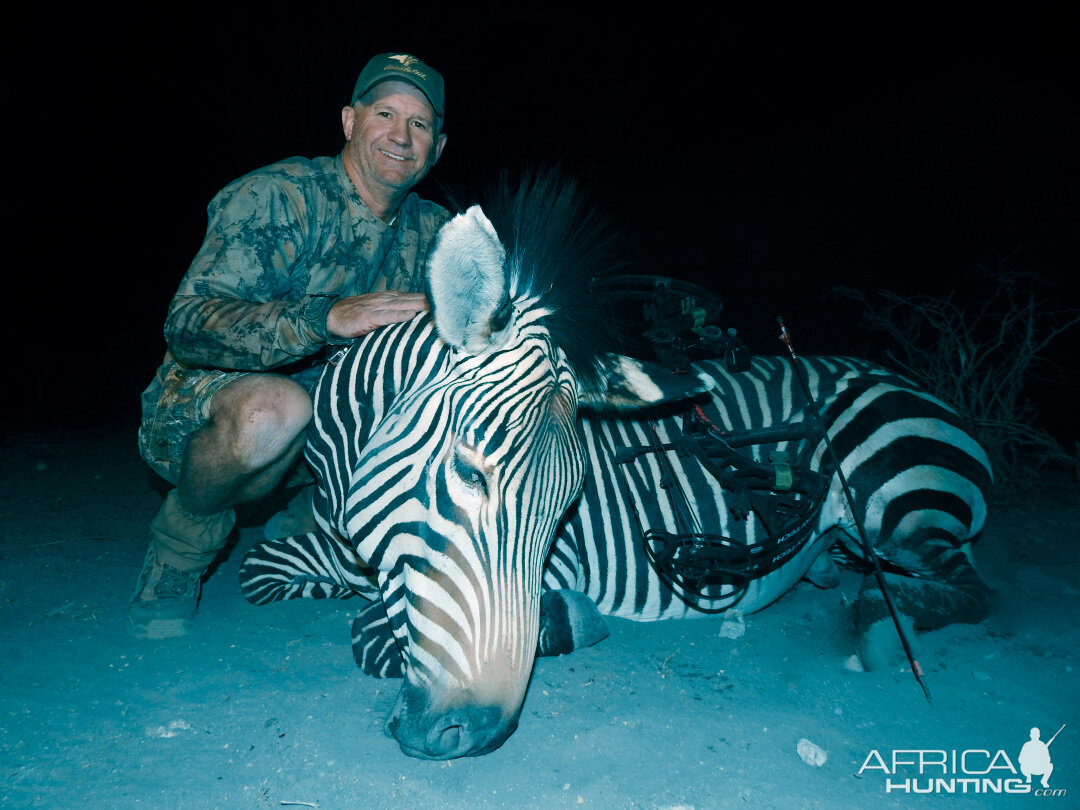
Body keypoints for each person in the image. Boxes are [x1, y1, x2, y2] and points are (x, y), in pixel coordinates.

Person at [130, 53, 450, 639]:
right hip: (212, 408)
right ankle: (179, 551)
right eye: (385, 114)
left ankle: (310, 524)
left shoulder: (439, 231)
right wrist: (321, 318)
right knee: (275, 410)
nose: (401, 136)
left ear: (438, 146)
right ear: (350, 122)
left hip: (332, 432)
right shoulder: (278, 195)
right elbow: (189, 321)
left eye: (420, 124)